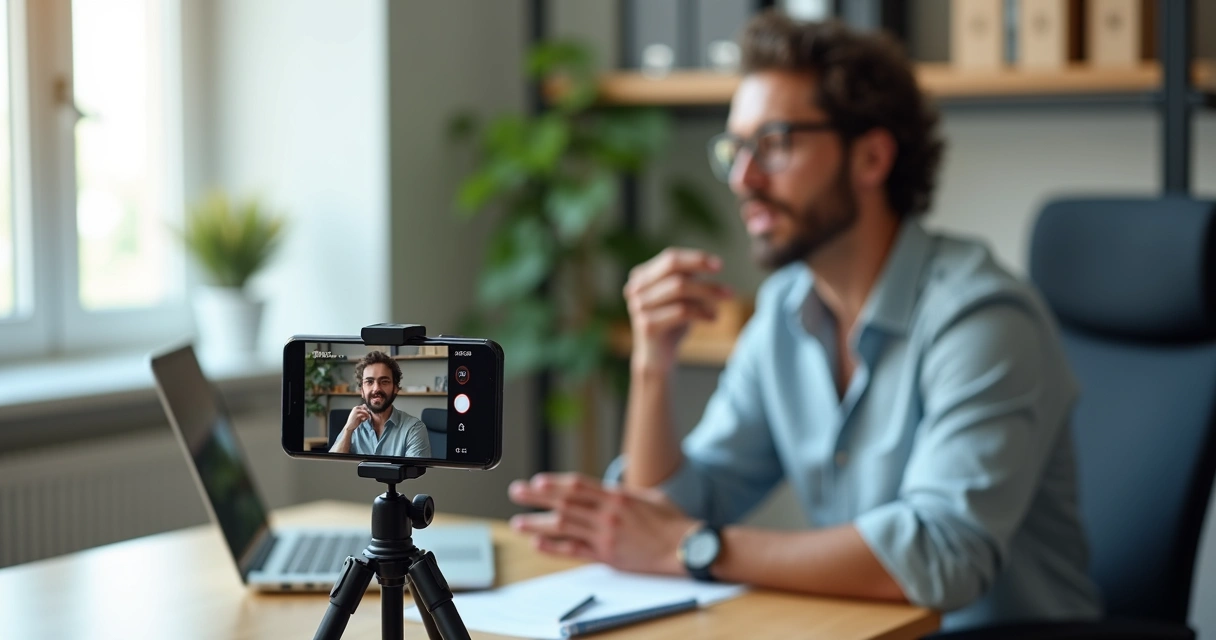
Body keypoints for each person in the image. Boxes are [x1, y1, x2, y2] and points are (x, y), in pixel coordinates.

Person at [507, 12, 1102, 632]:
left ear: (871, 157)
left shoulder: (982, 318)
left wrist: (694, 549)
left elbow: (940, 555)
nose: (744, 178)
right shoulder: (785, 310)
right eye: (736, 149)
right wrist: (652, 366)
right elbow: (679, 508)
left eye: (775, 143)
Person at [329, 350, 432, 458]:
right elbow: (331, 467)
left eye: (384, 382)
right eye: (369, 382)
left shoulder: (414, 429)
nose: (376, 388)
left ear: (395, 388)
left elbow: (415, 473)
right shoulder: (352, 427)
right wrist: (348, 430)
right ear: (361, 391)